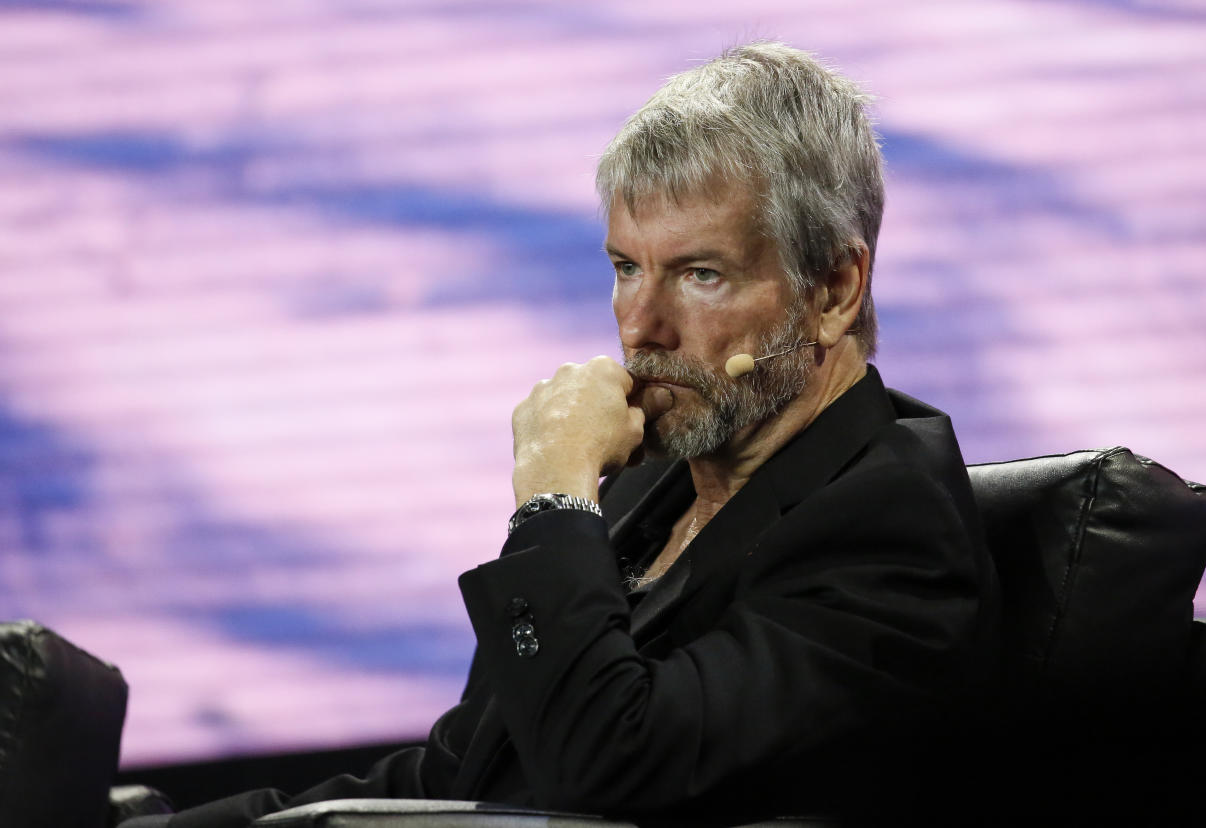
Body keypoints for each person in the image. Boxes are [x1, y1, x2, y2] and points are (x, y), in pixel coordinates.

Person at [137, 42, 1000, 828]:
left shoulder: (893, 532)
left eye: (701, 274)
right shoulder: (646, 491)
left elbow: (608, 772)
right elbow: (463, 775)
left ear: (835, 289)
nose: (641, 327)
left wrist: (552, 499)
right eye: (627, 268)